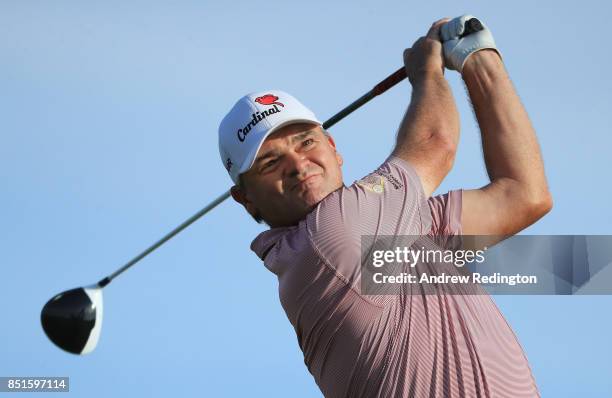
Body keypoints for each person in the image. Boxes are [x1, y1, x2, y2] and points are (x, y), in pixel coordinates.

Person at [218, 14, 551, 398]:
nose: (297, 165)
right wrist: (427, 71)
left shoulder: (391, 228)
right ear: (245, 199)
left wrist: (479, 58)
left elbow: (523, 194)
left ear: (334, 149)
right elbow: (435, 143)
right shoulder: (328, 239)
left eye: (306, 142)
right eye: (270, 163)